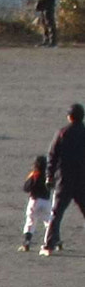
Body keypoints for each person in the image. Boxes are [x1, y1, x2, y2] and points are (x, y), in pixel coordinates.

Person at [41, 102, 85, 253]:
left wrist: (49, 176)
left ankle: (48, 246)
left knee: (56, 213)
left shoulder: (62, 133)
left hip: (64, 180)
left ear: (70, 117)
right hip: (82, 180)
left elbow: (52, 156)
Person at [23, 153, 52, 252]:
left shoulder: (34, 174)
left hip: (34, 201)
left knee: (31, 221)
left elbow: (26, 188)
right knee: (49, 222)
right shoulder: (49, 175)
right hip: (46, 201)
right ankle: (54, 241)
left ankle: (27, 242)